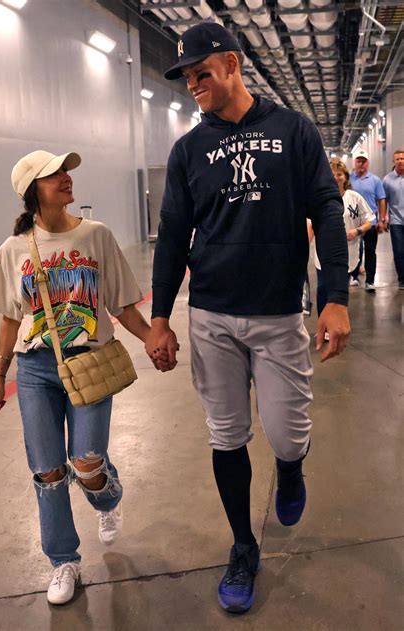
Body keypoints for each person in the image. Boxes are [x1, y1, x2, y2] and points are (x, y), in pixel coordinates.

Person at [145, 22, 350, 615]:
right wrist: (161, 319)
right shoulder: (188, 151)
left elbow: (327, 213)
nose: (194, 86)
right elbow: (171, 240)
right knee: (226, 434)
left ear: (232, 64)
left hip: (278, 312)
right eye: (187, 78)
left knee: (287, 434)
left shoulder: (293, 131)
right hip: (211, 315)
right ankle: (242, 546)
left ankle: (290, 471)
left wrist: (335, 295)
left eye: (202, 73)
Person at [0, 150, 150, 605]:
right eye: (52, 175)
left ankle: (107, 500)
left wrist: (153, 336)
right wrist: (0, 377)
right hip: (35, 369)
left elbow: (121, 305)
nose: (65, 178)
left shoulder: (97, 236)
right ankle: (64, 562)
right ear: (32, 190)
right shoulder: (13, 248)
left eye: (65, 171)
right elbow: (7, 318)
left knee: (88, 463)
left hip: (89, 361)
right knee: (48, 471)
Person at [314, 160, 374, 317]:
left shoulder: (354, 197)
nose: (335, 177)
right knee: (322, 288)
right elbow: (309, 225)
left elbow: (369, 221)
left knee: (339, 292)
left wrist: (357, 231)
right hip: (323, 253)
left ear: (345, 177)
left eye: (339, 174)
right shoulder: (319, 199)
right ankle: (323, 323)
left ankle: (336, 323)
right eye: (332, 174)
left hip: (348, 254)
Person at [349, 149, 387, 292]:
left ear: (368, 163)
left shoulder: (375, 180)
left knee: (370, 251)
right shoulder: (349, 179)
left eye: (364, 161)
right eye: (358, 161)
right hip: (354, 223)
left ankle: (370, 281)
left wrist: (382, 220)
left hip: (370, 222)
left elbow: (381, 200)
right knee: (354, 250)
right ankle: (353, 276)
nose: (361, 164)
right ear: (355, 162)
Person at [383, 150, 404, 289]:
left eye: (403, 158)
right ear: (393, 161)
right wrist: (384, 217)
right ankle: (402, 279)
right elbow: (384, 200)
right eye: (397, 159)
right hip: (396, 221)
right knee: (399, 251)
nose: (400, 161)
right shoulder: (387, 179)